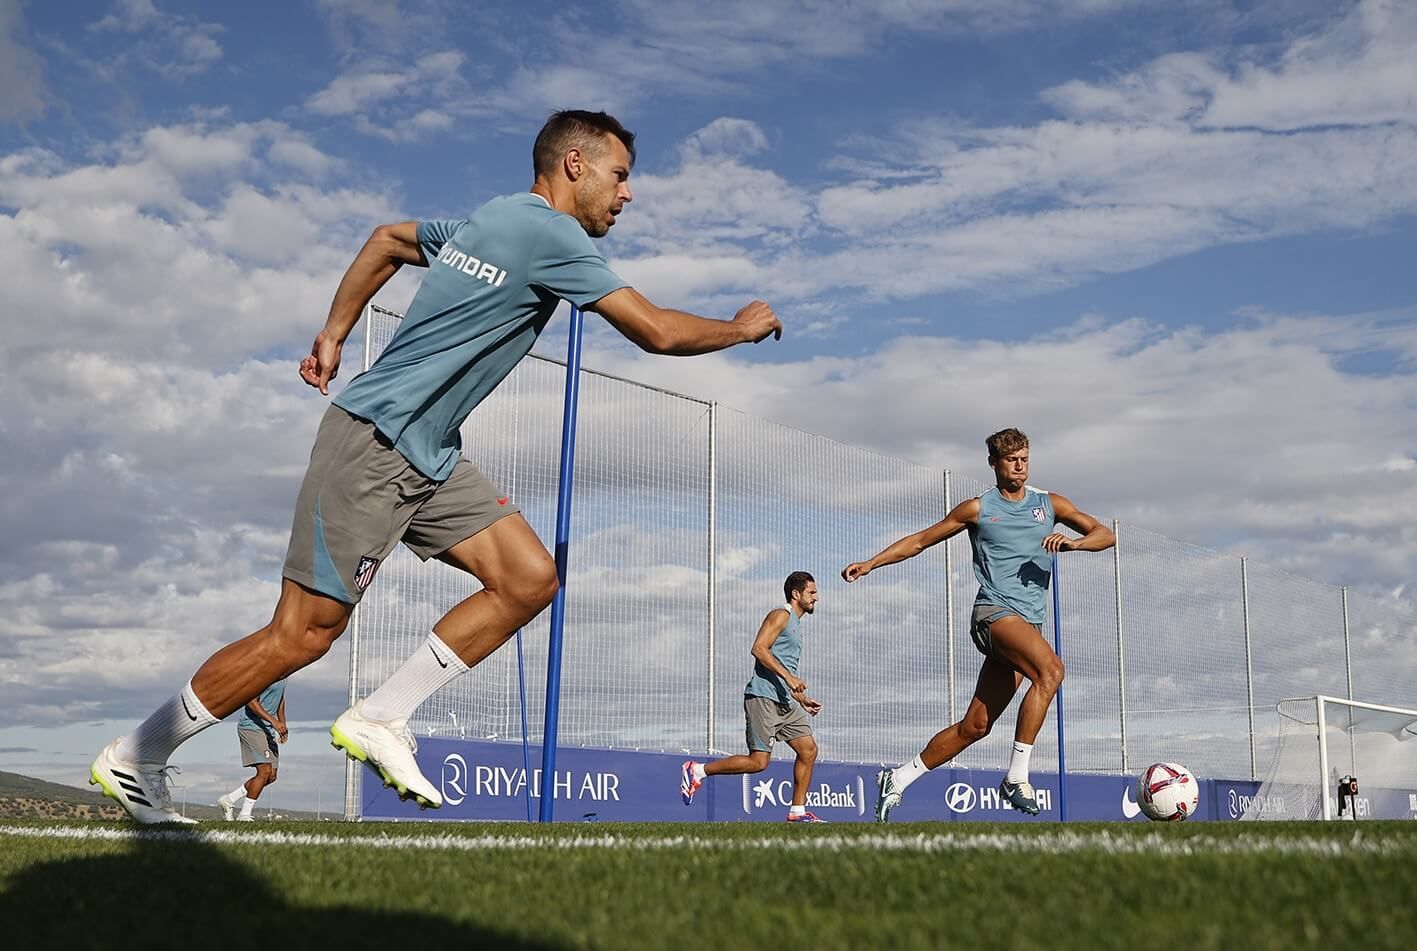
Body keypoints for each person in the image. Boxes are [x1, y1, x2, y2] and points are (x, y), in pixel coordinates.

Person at [90, 109, 784, 823]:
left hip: (428, 453)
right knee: (302, 633)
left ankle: (380, 716)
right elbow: (657, 331)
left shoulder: (492, 222)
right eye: (620, 175)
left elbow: (386, 239)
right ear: (574, 165)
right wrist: (741, 326)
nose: (626, 193)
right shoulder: (551, 234)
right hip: (373, 441)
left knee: (527, 577)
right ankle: (137, 754)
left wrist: (334, 333)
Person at [841, 428, 1114, 821]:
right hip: (994, 614)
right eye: (1010, 460)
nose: (1019, 466)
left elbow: (1105, 535)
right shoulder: (977, 508)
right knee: (1052, 670)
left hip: (1026, 626)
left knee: (976, 726)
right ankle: (1016, 778)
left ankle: (897, 780)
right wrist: (870, 563)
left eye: (1024, 458)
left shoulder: (1049, 503)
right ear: (994, 464)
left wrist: (1075, 543)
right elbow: (920, 540)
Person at [680, 572, 826, 823]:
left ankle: (797, 812)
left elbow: (783, 667)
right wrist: (790, 679)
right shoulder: (781, 615)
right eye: (811, 592)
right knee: (758, 763)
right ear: (796, 594)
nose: (816, 597)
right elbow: (758, 648)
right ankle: (697, 771)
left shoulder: (796, 626)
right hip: (762, 697)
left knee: (809, 750)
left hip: (785, 701)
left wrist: (801, 698)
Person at [217, 679, 287, 822]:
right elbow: (251, 702)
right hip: (251, 727)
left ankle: (229, 800)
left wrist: (282, 724)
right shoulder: (264, 674)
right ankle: (244, 815)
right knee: (264, 771)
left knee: (271, 776)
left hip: (268, 729)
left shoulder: (284, 674)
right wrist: (274, 722)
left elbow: (280, 699)